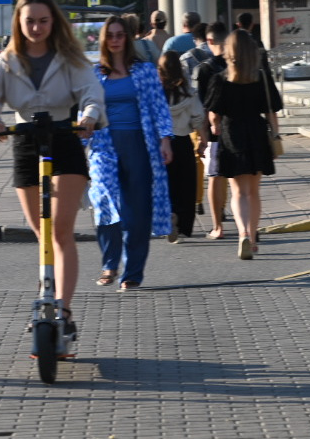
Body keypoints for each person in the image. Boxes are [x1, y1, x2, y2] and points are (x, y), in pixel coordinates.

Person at [0, 0, 104, 339]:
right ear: (19, 21)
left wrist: (90, 116)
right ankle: (46, 297)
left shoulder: (69, 57)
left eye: (43, 21)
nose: (36, 27)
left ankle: (62, 308)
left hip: (64, 137)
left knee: (60, 230)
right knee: (42, 234)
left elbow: (91, 91)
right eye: (29, 21)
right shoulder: (7, 60)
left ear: (53, 21)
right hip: (26, 141)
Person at [88, 15, 175, 290]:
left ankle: (133, 272)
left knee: (138, 211)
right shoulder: (94, 74)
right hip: (104, 145)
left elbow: (159, 106)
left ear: (127, 38)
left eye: (119, 35)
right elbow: (85, 110)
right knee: (103, 201)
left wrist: (165, 140)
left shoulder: (145, 71)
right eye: (110, 36)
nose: (115, 40)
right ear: (104, 40)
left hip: (140, 144)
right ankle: (109, 262)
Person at [205, 29, 282, 260]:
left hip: (232, 134)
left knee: (238, 191)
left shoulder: (220, 79)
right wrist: (276, 135)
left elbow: (213, 114)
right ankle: (253, 233)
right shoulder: (261, 77)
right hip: (257, 134)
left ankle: (242, 233)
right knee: (253, 191)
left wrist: (214, 125)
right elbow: (271, 111)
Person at [189, 21, 231, 238]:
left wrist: (202, 136)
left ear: (209, 40)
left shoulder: (203, 69)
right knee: (241, 184)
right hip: (238, 128)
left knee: (215, 176)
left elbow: (201, 106)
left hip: (214, 129)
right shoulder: (239, 65)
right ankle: (249, 230)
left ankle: (218, 227)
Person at [159, 47, 203, 241]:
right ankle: (184, 227)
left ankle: (169, 214)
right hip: (184, 141)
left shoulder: (157, 94)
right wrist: (203, 140)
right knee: (186, 187)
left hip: (163, 143)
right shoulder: (188, 93)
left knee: (167, 185)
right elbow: (198, 117)